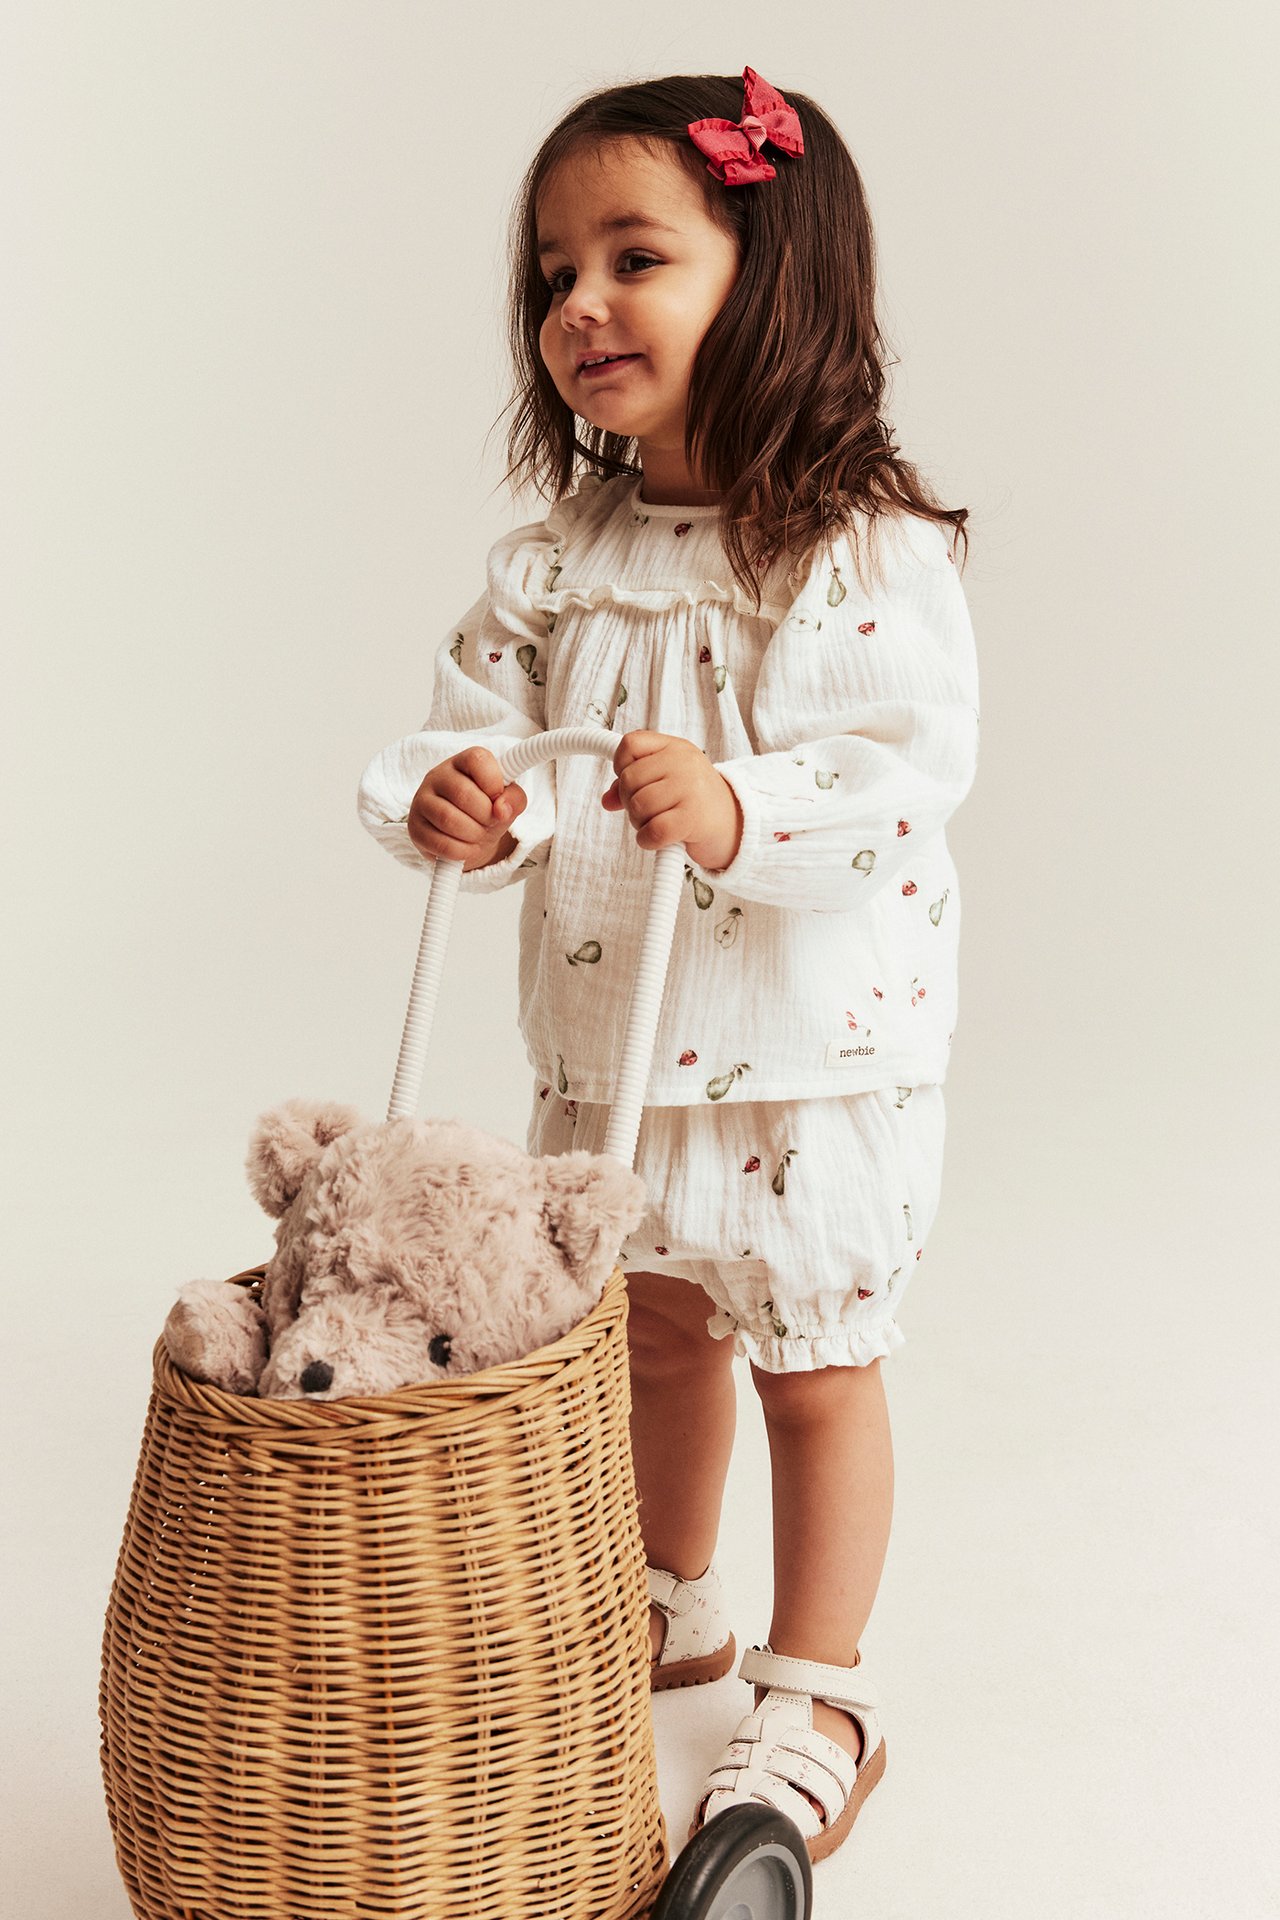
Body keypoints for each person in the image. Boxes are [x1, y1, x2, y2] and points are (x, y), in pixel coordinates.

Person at [357, 66, 980, 1867]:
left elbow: (898, 784)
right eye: (554, 273)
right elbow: (475, 730)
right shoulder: (564, 561)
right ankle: (668, 1593)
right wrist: (462, 799)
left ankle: (816, 1687)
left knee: (814, 1352)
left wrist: (740, 806)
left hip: (803, 1061)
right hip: (611, 1054)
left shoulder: (862, 549)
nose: (579, 308)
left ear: (768, 280)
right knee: (651, 1330)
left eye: (636, 257)